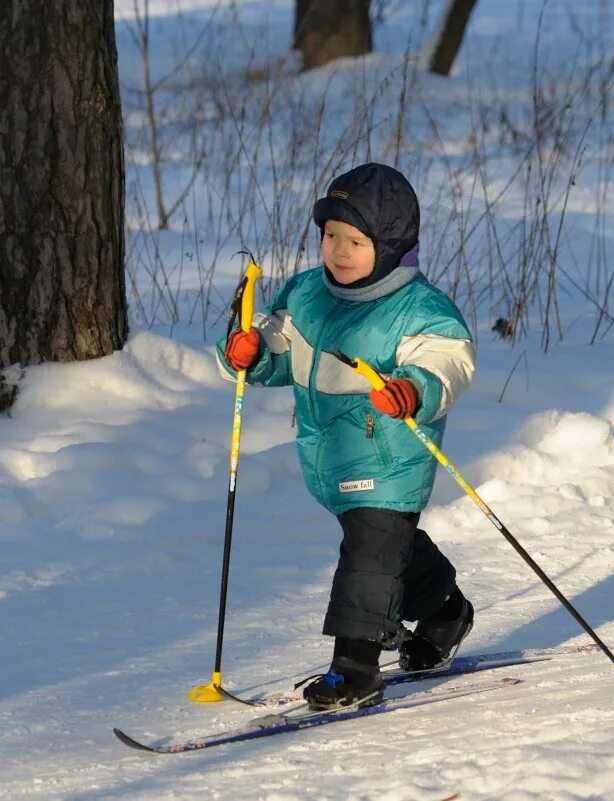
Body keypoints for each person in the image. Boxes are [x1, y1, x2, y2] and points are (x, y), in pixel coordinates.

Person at [217, 163, 476, 710]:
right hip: (331, 455)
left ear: (389, 247)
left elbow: (449, 363)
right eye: (331, 235)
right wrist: (249, 354)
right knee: (387, 547)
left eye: (354, 241)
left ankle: (355, 667)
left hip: (391, 455)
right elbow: (276, 347)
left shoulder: (419, 310)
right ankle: (446, 611)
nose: (337, 250)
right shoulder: (308, 294)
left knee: (369, 556)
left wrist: (416, 389)